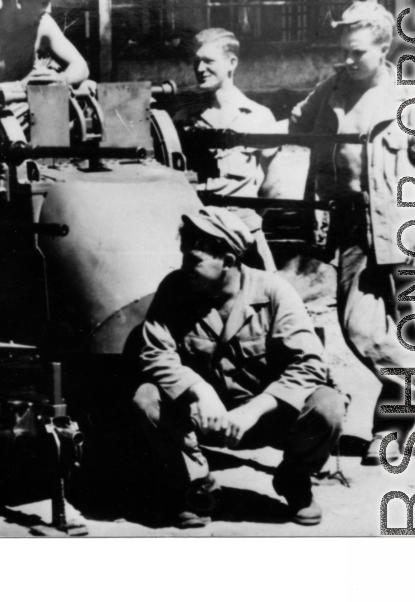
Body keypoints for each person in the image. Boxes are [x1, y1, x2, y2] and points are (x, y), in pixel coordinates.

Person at [288, 1, 415, 465]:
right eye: (342, 51)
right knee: (361, 330)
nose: (347, 60)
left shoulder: (408, 96)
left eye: (357, 52)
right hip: (353, 228)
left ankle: (391, 432)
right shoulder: (332, 89)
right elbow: (297, 125)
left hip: (404, 227)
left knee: (411, 333)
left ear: (384, 48)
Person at [133, 207, 346, 528]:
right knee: (147, 397)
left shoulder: (274, 291)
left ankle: (294, 478)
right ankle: (194, 485)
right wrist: (198, 390)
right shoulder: (175, 289)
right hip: (203, 417)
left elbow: (309, 364)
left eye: (194, 260)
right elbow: (153, 353)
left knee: (327, 405)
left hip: (266, 418)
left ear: (229, 261)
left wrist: (255, 409)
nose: (184, 268)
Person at [175, 28, 278, 271]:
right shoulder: (184, 118)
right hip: (198, 223)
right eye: (196, 62)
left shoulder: (258, 117)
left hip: (242, 225)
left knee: (263, 292)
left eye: (208, 61)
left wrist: (251, 218)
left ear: (232, 63)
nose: (200, 69)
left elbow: (273, 185)